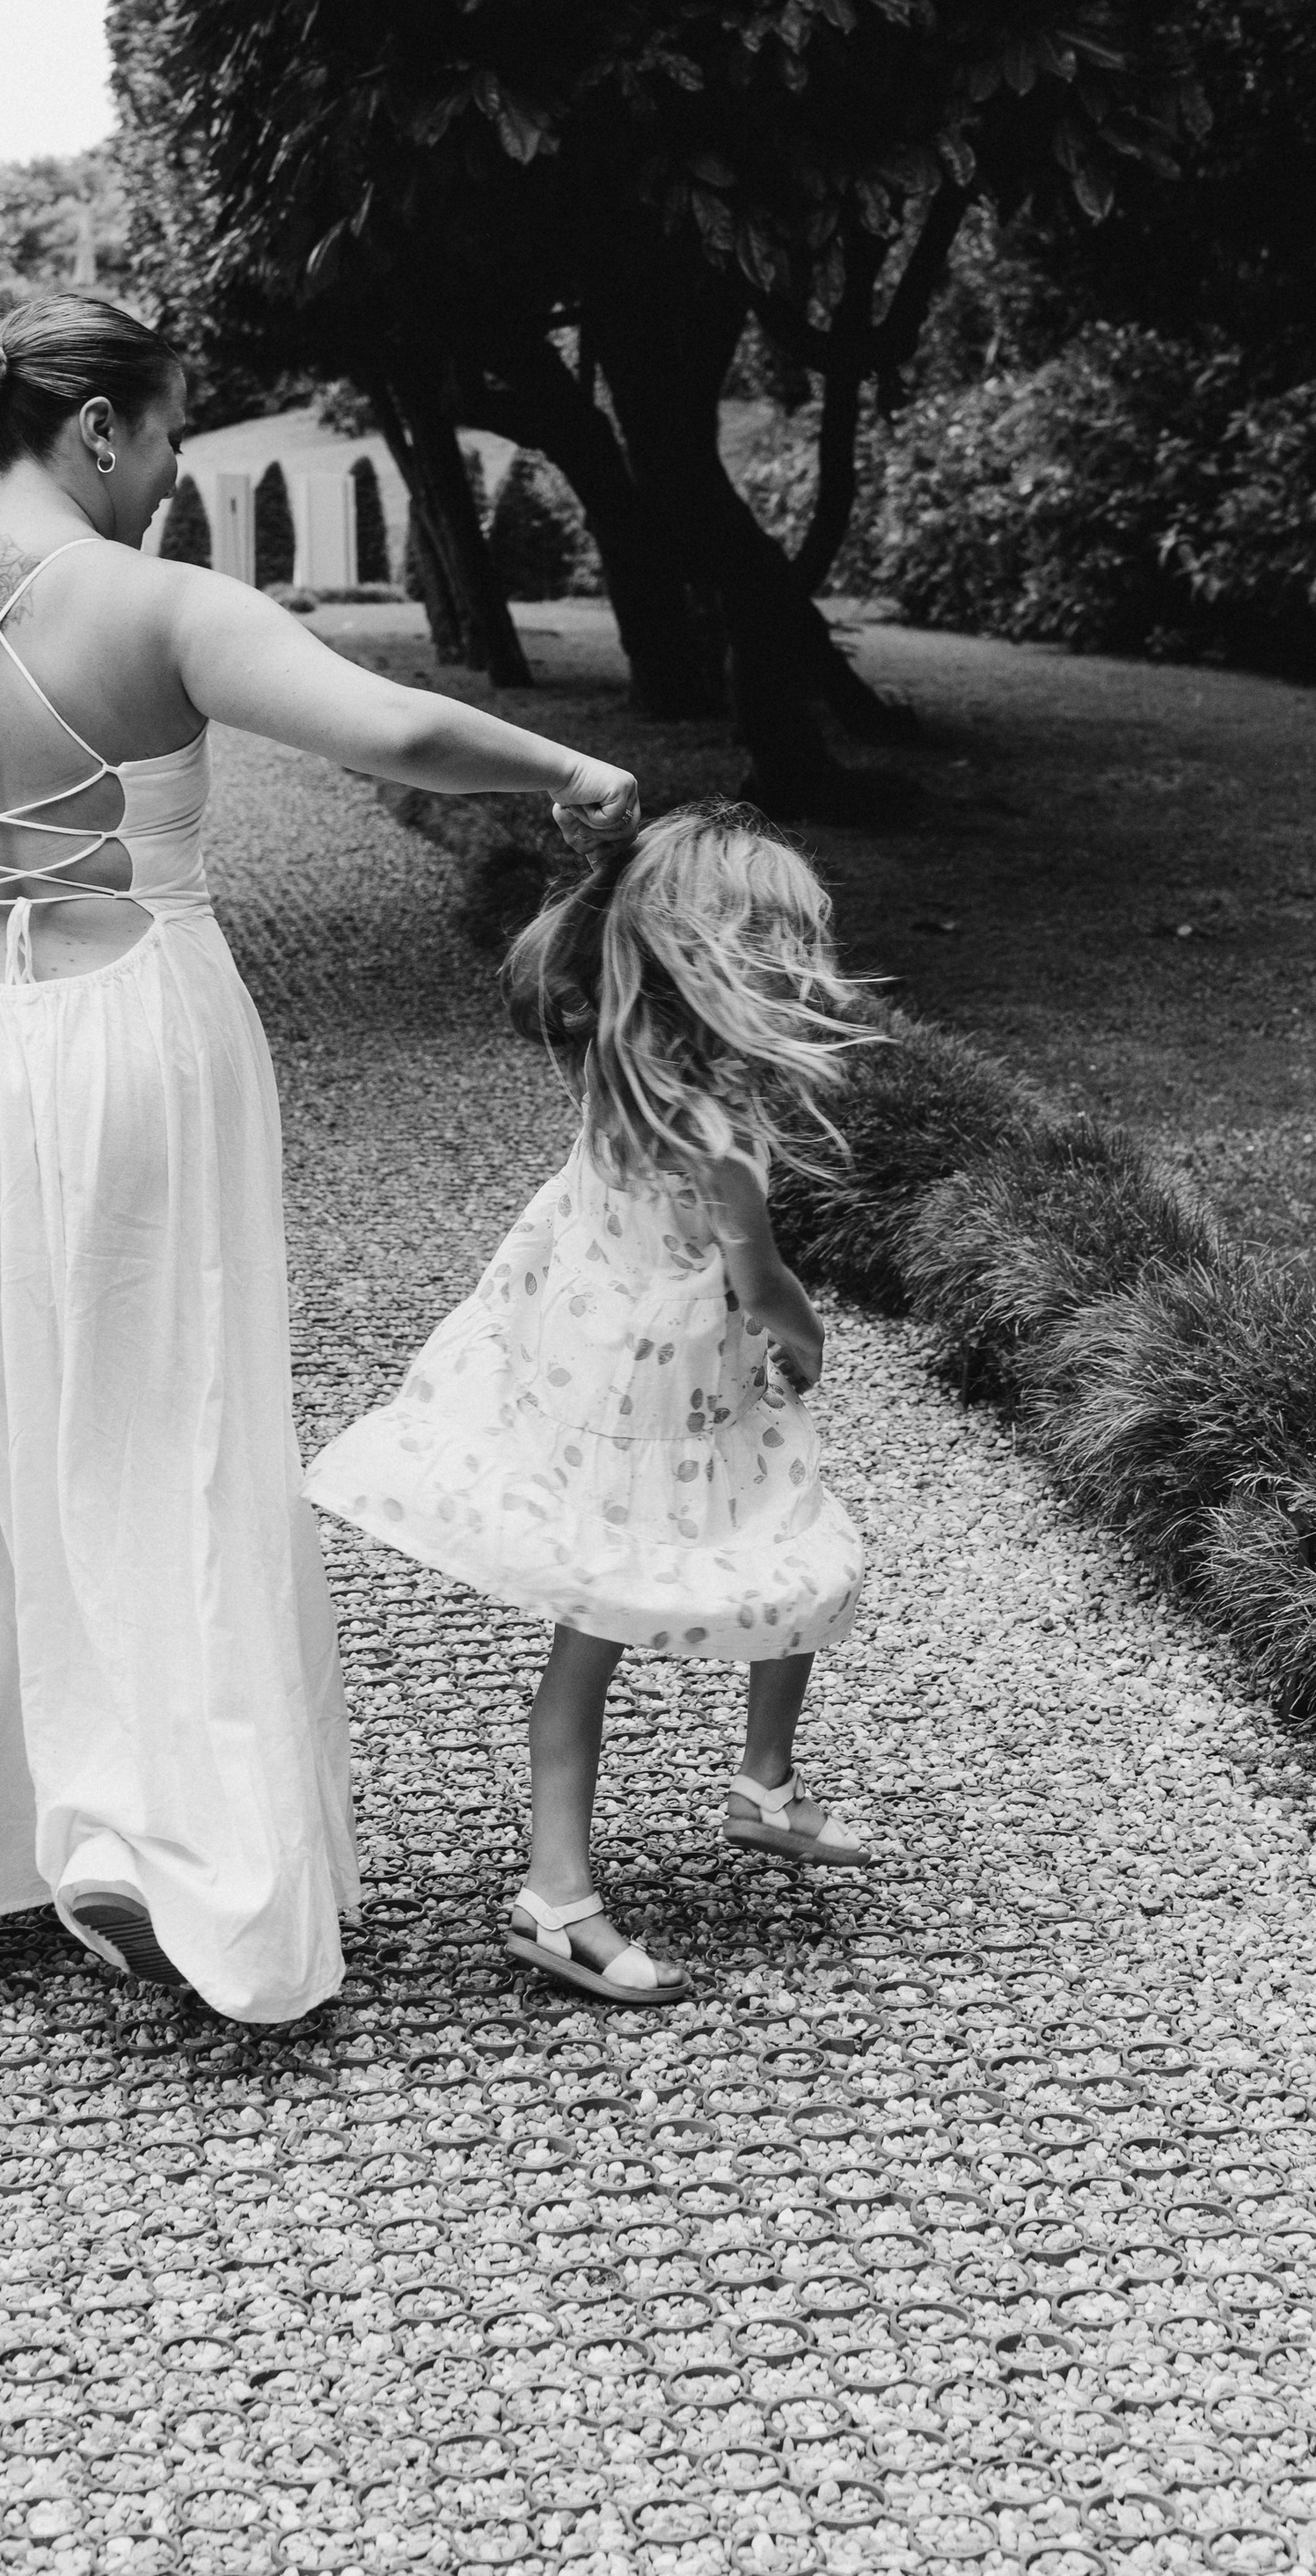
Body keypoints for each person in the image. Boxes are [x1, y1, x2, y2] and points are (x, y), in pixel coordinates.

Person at [0, 289, 638, 2031]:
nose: (169, 471)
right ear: (95, 429)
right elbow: (386, 730)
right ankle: (172, 1868)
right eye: (165, 433)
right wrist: (568, 769)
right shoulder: (161, 606)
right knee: (160, 1434)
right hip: (128, 1050)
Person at [307, 801, 874, 2006]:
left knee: (609, 1617)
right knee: (791, 1559)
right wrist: (809, 1341)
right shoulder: (721, 1127)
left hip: (595, 1372)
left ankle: (660, 1837)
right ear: (719, 966)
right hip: (669, 1407)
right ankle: (615, 1864)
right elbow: (761, 1282)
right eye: (781, 954)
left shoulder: (616, 1067)